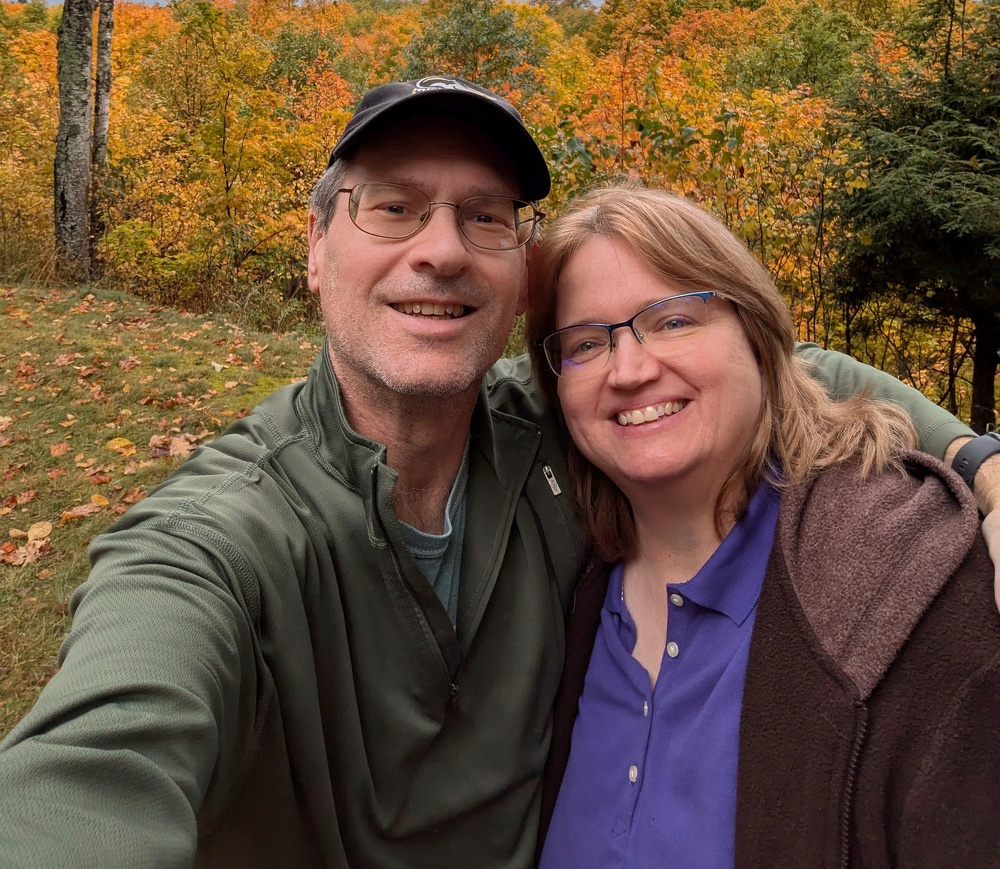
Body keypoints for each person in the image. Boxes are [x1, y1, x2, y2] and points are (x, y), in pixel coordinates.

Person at [0, 77, 996, 869]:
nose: (441, 250)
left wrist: (981, 464)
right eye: (394, 207)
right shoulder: (218, 538)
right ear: (315, 245)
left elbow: (775, 367)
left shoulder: (557, 428)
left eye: (484, 216)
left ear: (517, 269)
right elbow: (96, 764)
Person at [528, 186, 1000, 868]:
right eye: (586, 342)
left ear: (756, 333)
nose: (629, 369)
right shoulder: (572, 587)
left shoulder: (912, 583)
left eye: (673, 321)